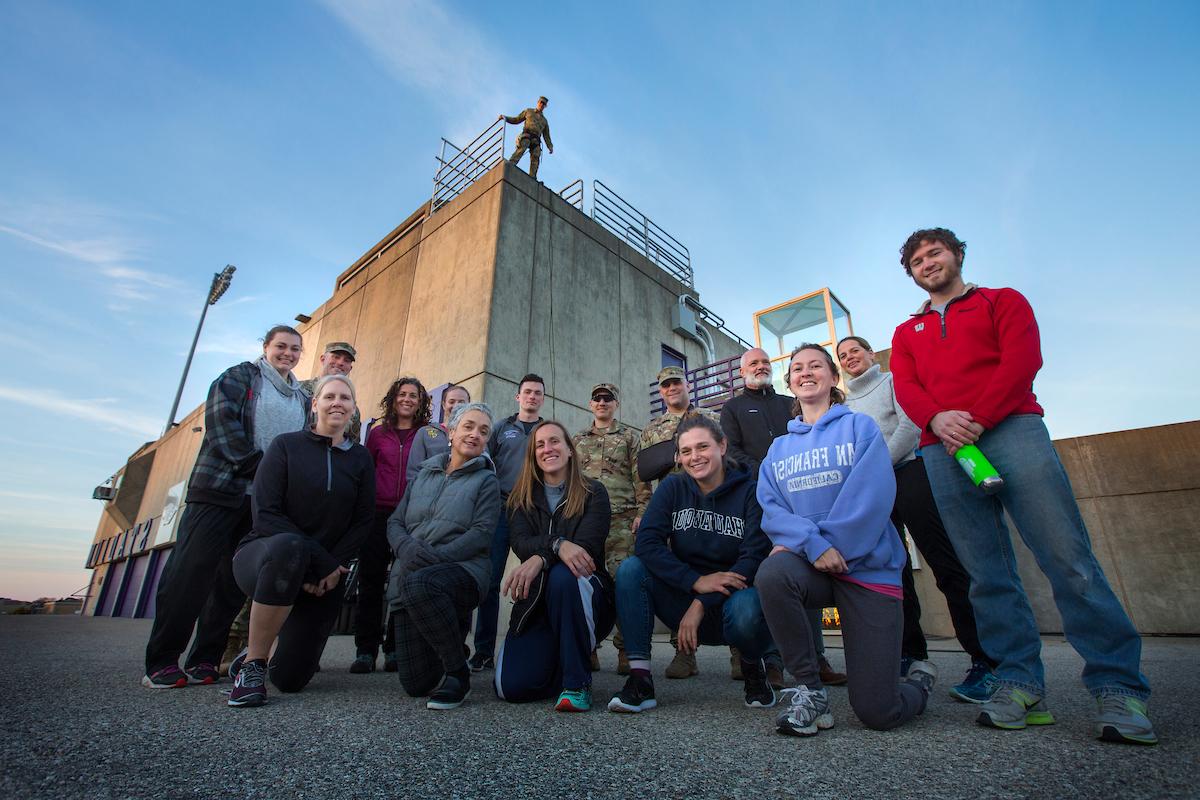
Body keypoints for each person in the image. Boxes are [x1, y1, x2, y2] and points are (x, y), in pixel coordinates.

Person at [889, 228, 1155, 744]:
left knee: (1068, 559)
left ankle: (1119, 687)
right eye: (917, 260)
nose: (927, 263)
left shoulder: (1001, 301)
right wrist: (939, 422)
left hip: (1011, 429)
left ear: (957, 255)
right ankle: (1018, 682)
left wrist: (978, 418)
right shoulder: (906, 332)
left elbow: (1021, 361)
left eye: (935, 253)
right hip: (943, 448)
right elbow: (907, 386)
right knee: (984, 571)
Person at [756, 344, 936, 736]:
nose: (805, 373)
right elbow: (772, 509)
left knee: (878, 712)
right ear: (790, 383)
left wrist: (832, 544)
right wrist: (815, 546)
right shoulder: (779, 448)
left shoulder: (860, 427)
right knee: (772, 573)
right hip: (813, 565)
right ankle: (809, 690)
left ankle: (918, 685)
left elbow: (872, 495)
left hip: (868, 567)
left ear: (833, 378)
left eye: (815, 366)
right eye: (797, 368)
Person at [143, 325, 310, 689]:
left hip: (259, 503)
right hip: (218, 490)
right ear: (266, 347)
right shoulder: (239, 377)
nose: (288, 353)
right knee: (190, 573)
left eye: (295, 348)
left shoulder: (302, 397)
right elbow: (221, 427)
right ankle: (161, 661)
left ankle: (205, 658)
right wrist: (262, 468)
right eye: (281, 346)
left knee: (231, 583)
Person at [836, 335, 997, 702]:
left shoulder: (892, 381)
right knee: (893, 572)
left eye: (855, 351)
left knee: (946, 565)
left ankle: (985, 660)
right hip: (874, 490)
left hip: (908, 473)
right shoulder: (843, 403)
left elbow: (910, 428)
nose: (849, 359)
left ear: (870, 354)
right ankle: (910, 654)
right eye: (843, 356)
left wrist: (876, 467)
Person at [225, 374, 375, 707]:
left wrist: (333, 567)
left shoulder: (361, 459)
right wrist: (321, 562)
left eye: (345, 398)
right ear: (315, 404)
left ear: (352, 408)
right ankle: (252, 667)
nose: (337, 402)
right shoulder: (285, 445)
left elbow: (363, 520)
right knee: (289, 548)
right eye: (330, 396)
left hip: (326, 576)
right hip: (266, 557)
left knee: (291, 680)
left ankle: (264, 651)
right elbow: (266, 513)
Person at [609, 415, 776, 713]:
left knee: (748, 607)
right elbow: (647, 543)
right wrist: (694, 582)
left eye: (702, 447)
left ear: (722, 446)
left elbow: (753, 556)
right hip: (681, 601)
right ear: (678, 457)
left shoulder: (750, 491)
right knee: (631, 570)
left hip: (731, 602)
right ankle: (640, 679)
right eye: (686, 451)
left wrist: (701, 602)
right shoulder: (673, 488)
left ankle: (753, 669)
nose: (694, 457)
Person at [720, 347, 846, 688]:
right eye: (753, 363)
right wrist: (773, 473)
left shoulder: (787, 403)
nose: (760, 367)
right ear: (742, 371)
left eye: (764, 363)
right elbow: (731, 452)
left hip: (802, 498)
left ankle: (816, 658)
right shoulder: (732, 408)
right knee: (771, 576)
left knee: (808, 568)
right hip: (759, 500)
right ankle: (772, 660)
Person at [495, 421, 616, 711]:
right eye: (540, 444)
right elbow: (521, 543)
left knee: (564, 575)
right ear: (533, 455)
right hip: (537, 603)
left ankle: (577, 683)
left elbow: (585, 548)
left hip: (584, 594)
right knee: (511, 688)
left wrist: (542, 556)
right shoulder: (519, 499)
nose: (547, 449)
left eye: (555, 441)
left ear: (570, 450)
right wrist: (556, 545)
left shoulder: (593, 493)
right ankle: (561, 659)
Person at [386, 403, 500, 710]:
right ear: (451, 432)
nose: (475, 434)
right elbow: (395, 522)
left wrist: (436, 557)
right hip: (411, 575)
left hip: (462, 572)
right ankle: (449, 644)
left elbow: (482, 533)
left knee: (422, 583)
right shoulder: (425, 473)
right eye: (469, 426)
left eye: (483, 431)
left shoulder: (487, 481)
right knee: (416, 684)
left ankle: (457, 673)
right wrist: (406, 548)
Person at [351, 378, 449, 674]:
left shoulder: (429, 433)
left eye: (413, 396)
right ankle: (365, 650)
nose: (407, 399)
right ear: (393, 398)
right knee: (370, 581)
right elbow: (367, 471)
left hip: (411, 515)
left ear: (422, 402)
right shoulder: (378, 433)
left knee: (404, 580)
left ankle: (395, 647)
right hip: (378, 513)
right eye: (402, 394)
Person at [634, 365, 722, 680]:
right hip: (672, 512)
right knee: (679, 577)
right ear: (661, 391)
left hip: (713, 504)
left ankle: (744, 653)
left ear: (687, 385)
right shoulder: (652, 428)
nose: (672, 388)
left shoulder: (710, 419)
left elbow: (729, 458)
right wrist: (644, 511)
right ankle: (684, 652)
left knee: (723, 566)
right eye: (666, 385)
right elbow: (641, 473)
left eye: (676, 382)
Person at [469, 374, 546, 671]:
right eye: (527, 392)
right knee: (490, 581)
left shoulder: (545, 430)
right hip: (501, 508)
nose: (532, 397)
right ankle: (484, 650)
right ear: (518, 397)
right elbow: (486, 466)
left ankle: (536, 643)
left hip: (533, 510)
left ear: (542, 398)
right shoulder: (501, 428)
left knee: (539, 576)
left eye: (538, 393)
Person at [573, 383, 650, 675]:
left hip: (622, 520)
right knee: (584, 584)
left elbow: (640, 477)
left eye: (608, 398)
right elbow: (570, 480)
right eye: (597, 398)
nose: (602, 402)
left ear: (616, 404)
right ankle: (588, 648)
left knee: (623, 585)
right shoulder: (578, 439)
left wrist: (643, 512)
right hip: (586, 522)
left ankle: (626, 650)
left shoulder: (630, 437)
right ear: (591, 404)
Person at [299, 342, 362, 442]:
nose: (341, 362)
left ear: (350, 368)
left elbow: (352, 444)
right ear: (323, 359)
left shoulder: (350, 408)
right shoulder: (298, 390)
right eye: (336, 357)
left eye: (347, 360)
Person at [500, 96, 553, 180]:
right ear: (538, 102)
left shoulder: (544, 121)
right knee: (522, 148)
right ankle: (511, 164)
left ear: (545, 106)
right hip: (527, 135)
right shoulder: (529, 111)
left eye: (544, 104)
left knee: (536, 155)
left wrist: (550, 146)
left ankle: (532, 177)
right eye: (541, 102)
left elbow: (546, 135)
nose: (542, 105)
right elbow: (517, 119)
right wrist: (505, 118)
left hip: (536, 139)